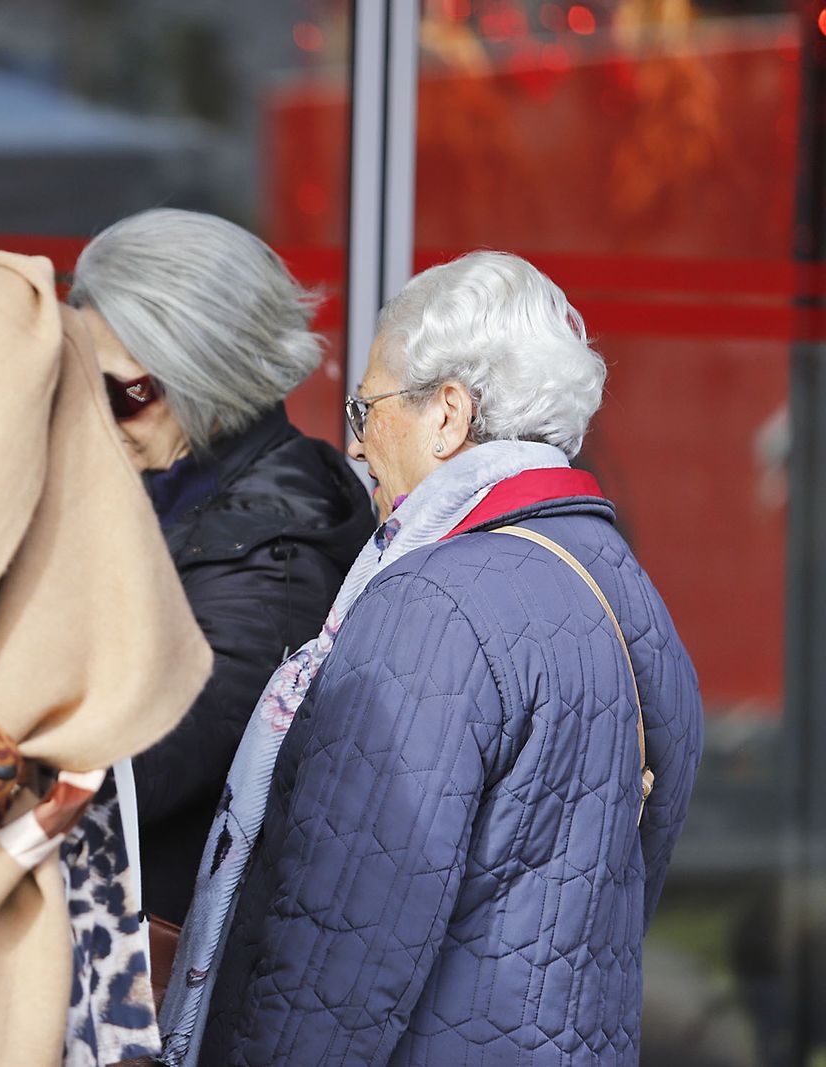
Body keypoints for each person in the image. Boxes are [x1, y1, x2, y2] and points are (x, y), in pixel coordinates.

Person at [175, 250, 703, 1066]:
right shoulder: (629, 590)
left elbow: (334, 953)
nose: (354, 444)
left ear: (449, 415)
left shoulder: (429, 604)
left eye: (367, 407)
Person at [67, 209, 373, 929]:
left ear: (201, 372)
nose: (97, 413)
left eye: (121, 391)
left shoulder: (273, 559)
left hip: (159, 985)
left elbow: (120, 778)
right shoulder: (157, 485)